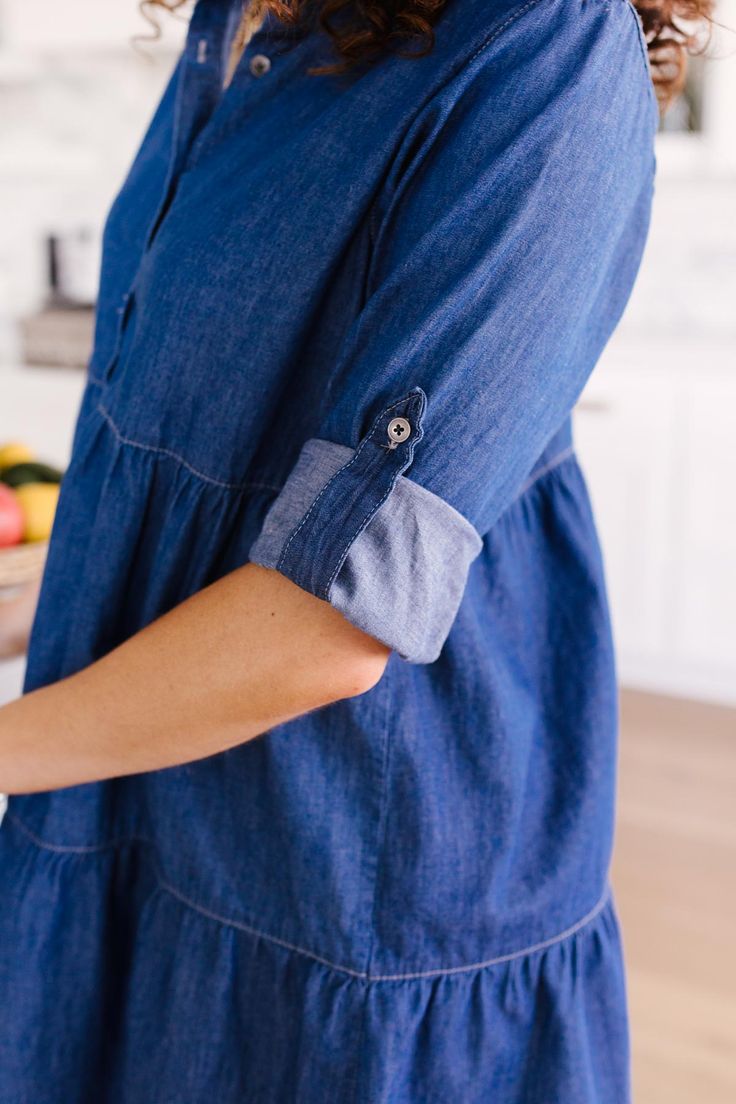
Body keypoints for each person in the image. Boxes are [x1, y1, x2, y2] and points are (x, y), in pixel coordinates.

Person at [0, 0, 711, 1099]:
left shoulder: (543, 46)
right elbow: (209, 477)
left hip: (346, 878)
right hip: (139, 805)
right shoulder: (241, 20)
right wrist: (41, 590)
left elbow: (329, 620)